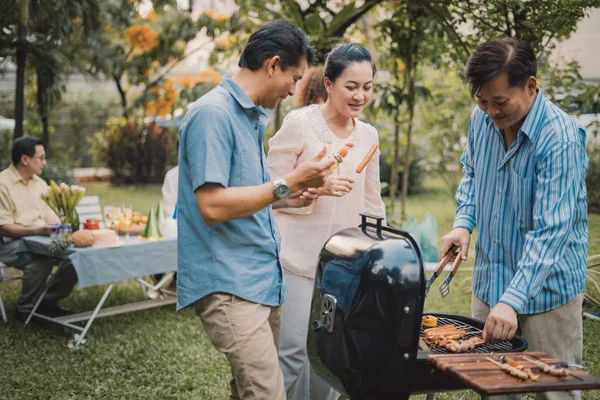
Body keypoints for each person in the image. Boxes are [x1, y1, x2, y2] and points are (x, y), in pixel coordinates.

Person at [176, 20, 335, 400]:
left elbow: (244, 194)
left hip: (260, 278)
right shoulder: (213, 114)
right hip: (229, 283)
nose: (294, 90)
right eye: (294, 78)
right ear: (273, 64)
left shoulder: (248, 118)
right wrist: (290, 182)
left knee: (246, 390)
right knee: (267, 393)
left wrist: (290, 197)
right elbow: (212, 206)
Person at [439, 38, 588, 400]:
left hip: (547, 294)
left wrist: (513, 299)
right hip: (491, 282)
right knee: (496, 388)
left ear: (531, 86)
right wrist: (464, 222)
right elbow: (473, 174)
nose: (490, 110)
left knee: (555, 390)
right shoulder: (481, 119)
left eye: (500, 101)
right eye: (482, 100)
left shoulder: (560, 138)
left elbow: (552, 229)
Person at [268, 43, 386, 400]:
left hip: (342, 271)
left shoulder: (368, 136)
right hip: (297, 262)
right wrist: (314, 190)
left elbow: (372, 204)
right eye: (351, 86)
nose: (360, 95)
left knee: (329, 359)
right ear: (330, 84)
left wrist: (378, 254)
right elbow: (269, 194)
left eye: (367, 87)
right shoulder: (299, 125)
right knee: (290, 357)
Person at [0, 137, 78, 322]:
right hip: (9, 244)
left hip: (41, 239)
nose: (44, 162)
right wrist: (38, 231)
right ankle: (25, 309)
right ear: (25, 159)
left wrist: (59, 226)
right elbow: (3, 228)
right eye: (41, 158)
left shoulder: (40, 184)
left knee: (75, 257)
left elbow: (49, 214)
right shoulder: (2, 184)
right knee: (40, 262)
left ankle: (46, 302)